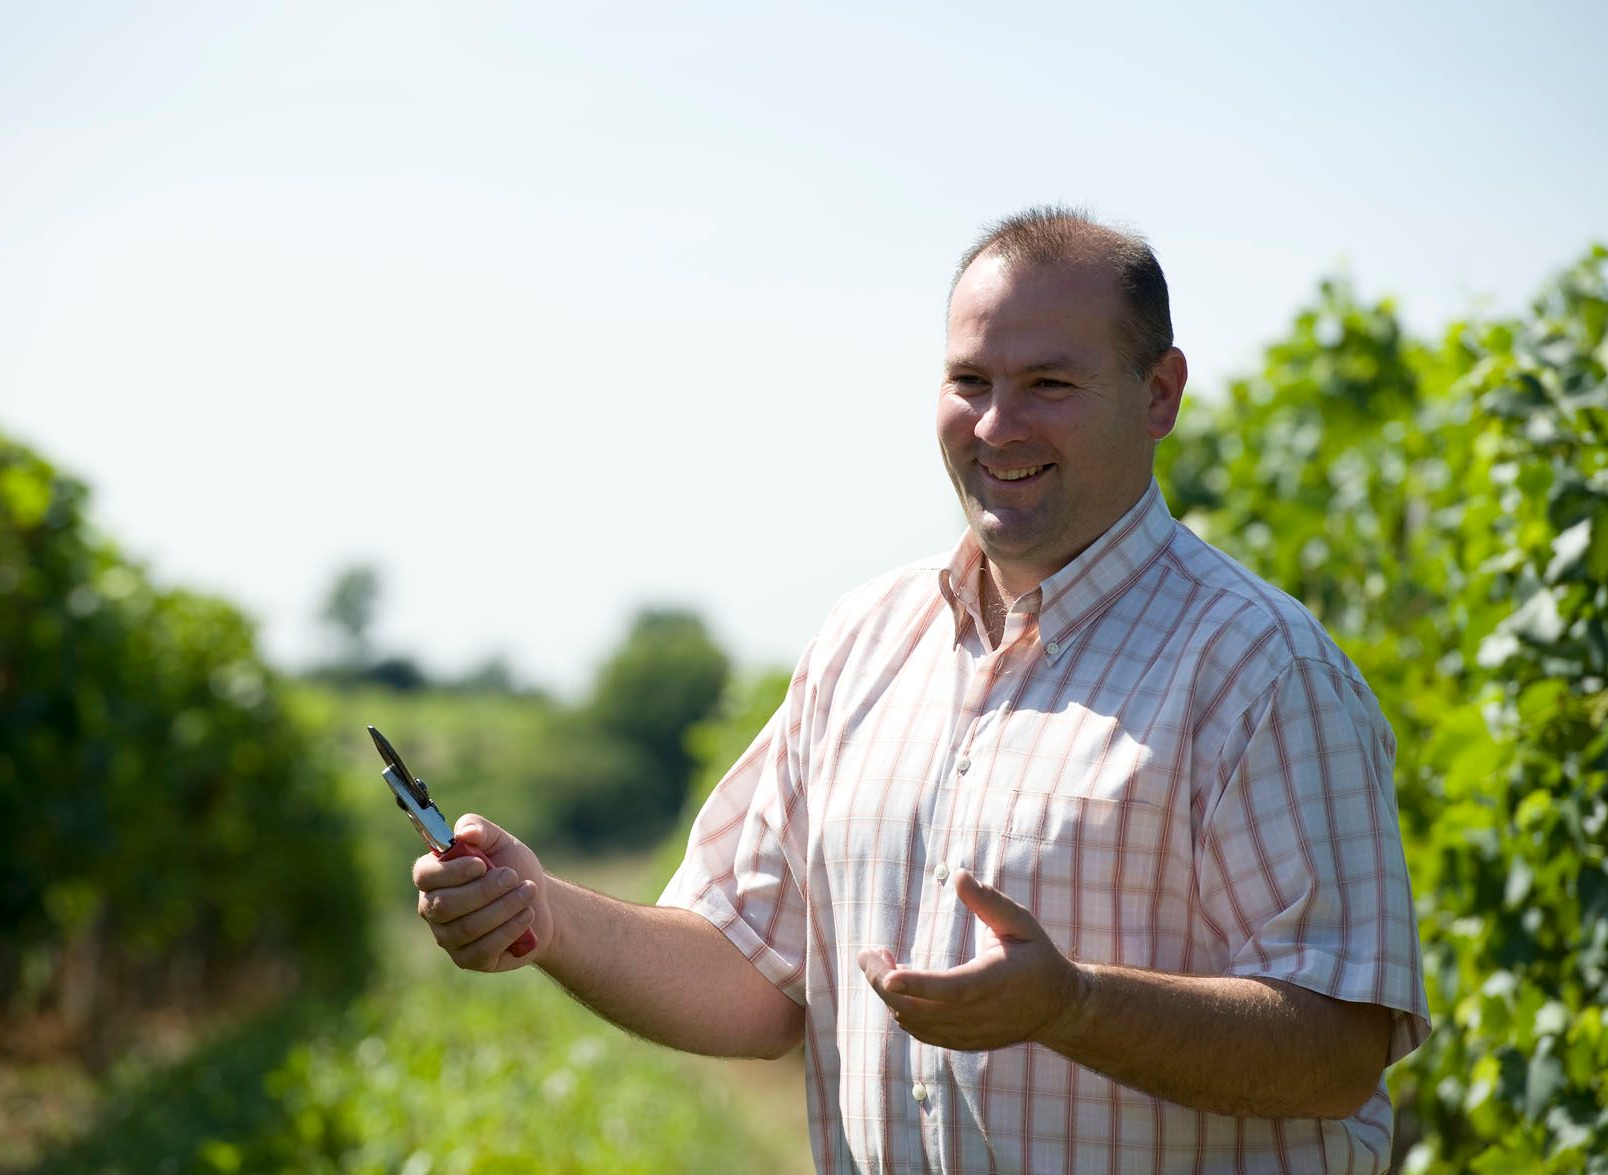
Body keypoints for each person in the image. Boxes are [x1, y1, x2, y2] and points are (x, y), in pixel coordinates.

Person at [413, 206, 1429, 1172]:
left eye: (1047, 384)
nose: (995, 423)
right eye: (967, 379)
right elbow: (749, 972)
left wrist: (1069, 1004)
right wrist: (540, 911)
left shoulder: (1257, 668)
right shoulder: (864, 641)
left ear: (1158, 392)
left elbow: (1335, 1048)